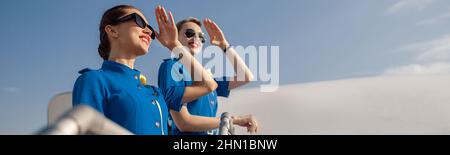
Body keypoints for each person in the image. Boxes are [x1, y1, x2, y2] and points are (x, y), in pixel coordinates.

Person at [157, 15, 258, 135]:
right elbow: (184, 123)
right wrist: (234, 120)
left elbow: (246, 76)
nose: (196, 38)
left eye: (201, 37)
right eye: (189, 33)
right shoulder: (171, 67)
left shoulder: (207, 78)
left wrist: (224, 45)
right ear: (175, 36)